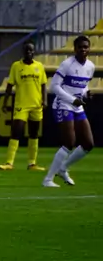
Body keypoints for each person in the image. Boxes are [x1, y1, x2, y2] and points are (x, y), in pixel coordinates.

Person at [43, 35, 95, 188]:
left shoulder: (90, 66)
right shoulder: (67, 64)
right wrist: (72, 99)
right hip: (63, 104)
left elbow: (83, 85)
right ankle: (48, 179)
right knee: (69, 142)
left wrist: (86, 94)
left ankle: (63, 168)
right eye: (80, 47)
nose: (83, 50)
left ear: (89, 48)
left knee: (88, 144)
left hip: (77, 105)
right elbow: (54, 87)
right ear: (75, 49)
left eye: (86, 47)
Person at [0, 42, 48, 171]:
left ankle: (32, 163)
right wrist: (5, 102)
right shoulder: (16, 66)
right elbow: (10, 85)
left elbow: (43, 85)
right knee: (16, 131)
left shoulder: (39, 66)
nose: (29, 53)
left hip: (36, 105)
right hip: (21, 104)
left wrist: (45, 100)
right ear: (23, 52)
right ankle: (9, 162)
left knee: (34, 133)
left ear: (34, 52)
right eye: (26, 51)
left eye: (31, 51)